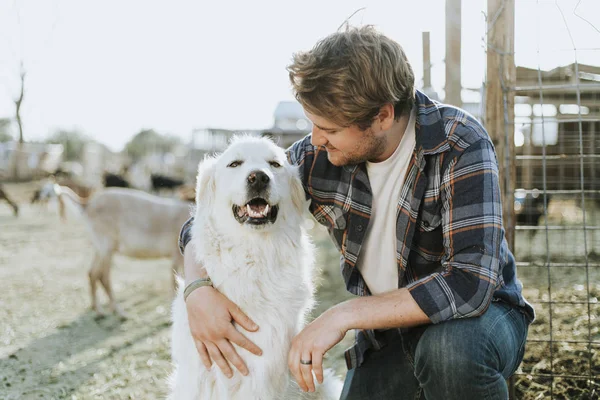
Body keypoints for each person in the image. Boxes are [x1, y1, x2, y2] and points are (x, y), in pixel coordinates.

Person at [178, 26, 535, 400]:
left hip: (480, 321)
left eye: (328, 127)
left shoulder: (459, 143)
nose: (314, 139)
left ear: (382, 116)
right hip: (387, 336)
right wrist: (196, 288)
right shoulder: (316, 157)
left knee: (450, 353)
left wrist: (344, 315)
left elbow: (468, 285)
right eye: (312, 123)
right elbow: (200, 219)